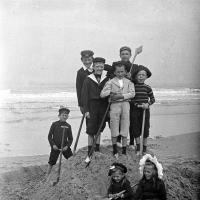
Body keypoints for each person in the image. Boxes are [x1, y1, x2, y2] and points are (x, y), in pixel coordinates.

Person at [101, 61, 135, 158]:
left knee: (125, 125)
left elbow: (132, 94)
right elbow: (102, 94)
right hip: (114, 106)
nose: (120, 74)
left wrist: (121, 96)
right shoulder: (110, 82)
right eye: (118, 72)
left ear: (125, 72)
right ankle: (115, 150)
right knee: (114, 126)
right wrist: (111, 92)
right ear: (115, 72)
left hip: (125, 105)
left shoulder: (129, 82)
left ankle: (124, 150)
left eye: (122, 71)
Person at [81, 57, 109, 163]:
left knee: (99, 128)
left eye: (101, 66)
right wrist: (86, 110)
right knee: (90, 129)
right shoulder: (88, 79)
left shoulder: (106, 79)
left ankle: (97, 149)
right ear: (93, 67)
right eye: (97, 66)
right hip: (92, 106)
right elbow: (84, 96)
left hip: (102, 106)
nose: (99, 68)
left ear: (103, 67)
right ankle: (89, 152)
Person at [130, 67, 155, 156]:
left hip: (145, 110)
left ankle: (144, 148)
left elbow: (152, 99)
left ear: (146, 77)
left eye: (143, 75)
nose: (141, 77)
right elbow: (131, 99)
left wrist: (148, 104)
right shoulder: (133, 87)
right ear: (136, 76)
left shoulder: (148, 87)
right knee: (136, 128)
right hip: (135, 110)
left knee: (145, 129)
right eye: (139, 75)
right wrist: (137, 105)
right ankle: (138, 147)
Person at [47, 107, 73, 176]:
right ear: (59, 116)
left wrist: (67, 146)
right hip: (55, 147)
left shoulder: (68, 126)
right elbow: (49, 136)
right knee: (51, 162)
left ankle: (71, 173)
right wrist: (53, 145)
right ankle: (48, 175)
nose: (64, 117)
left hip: (64, 146)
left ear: (68, 116)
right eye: (63, 115)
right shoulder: (54, 124)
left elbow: (70, 139)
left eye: (66, 115)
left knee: (71, 159)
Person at [76, 50, 94, 114]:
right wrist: (81, 105)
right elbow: (79, 89)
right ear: (81, 60)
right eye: (85, 60)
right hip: (86, 102)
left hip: (98, 100)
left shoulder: (97, 69)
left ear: (92, 59)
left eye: (89, 59)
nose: (87, 62)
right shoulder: (80, 72)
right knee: (89, 122)